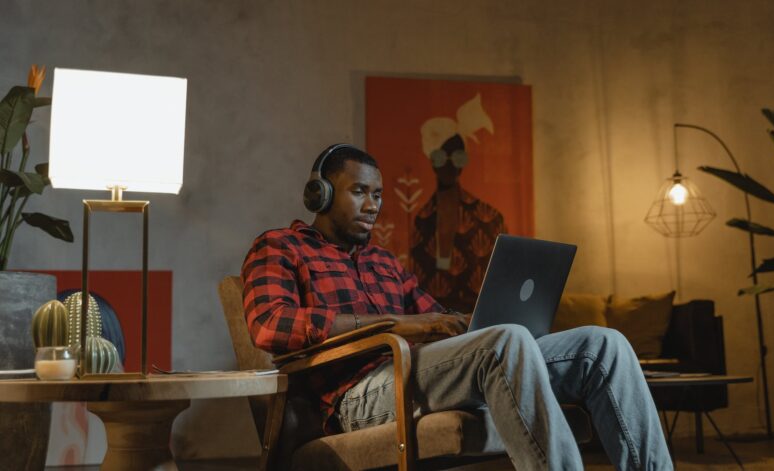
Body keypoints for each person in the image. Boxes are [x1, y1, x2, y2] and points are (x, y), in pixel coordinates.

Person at [242, 144, 672, 470]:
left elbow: (439, 320)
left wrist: (475, 319)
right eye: (359, 192)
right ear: (320, 195)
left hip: (415, 374)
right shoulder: (281, 246)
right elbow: (270, 325)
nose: (373, 205)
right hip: (355, 396)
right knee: (503, 343)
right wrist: (399, 325)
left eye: (378, 194)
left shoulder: (384, 263)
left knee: (603, 343)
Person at [411, 94, 506, 313]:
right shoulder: (422, 221)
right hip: (435, 324)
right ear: (432, 160)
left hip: (480, 320)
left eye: (458, 156)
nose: (450, 165)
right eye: (441, 157)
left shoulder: (489, 217)